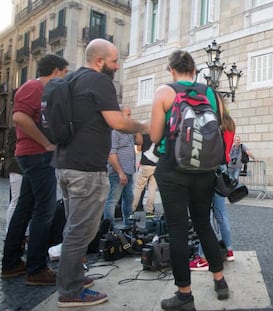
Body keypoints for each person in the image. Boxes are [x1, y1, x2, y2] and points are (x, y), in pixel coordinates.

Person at [53, 39, 148, 308]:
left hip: (65, 164)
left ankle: (74, 277)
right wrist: (147, 126)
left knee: (74, 227)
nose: (117, 66)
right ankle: (70, 290)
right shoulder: (99, 81)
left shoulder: (72, 80)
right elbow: (118, 122)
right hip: (86, 169)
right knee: (80, 230)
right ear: (99, 61)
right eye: (115, 61)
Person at [150, 50, 229, 311]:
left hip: (173, 169)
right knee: (204, 225)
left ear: (171, 70)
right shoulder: (211, 93)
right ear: (194, 70)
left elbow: (154, 135)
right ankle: (220, 281)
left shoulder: (164, 92)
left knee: (178, 231)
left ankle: (185, 295)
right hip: (204, 170)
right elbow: (219, 126)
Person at [1, 54, 69, 285]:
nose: (65, 77)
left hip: (33, 156)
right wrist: (46, 143)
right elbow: (19, 117)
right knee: (44, 211)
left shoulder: (39, 90)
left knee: (24, 208)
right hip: (37, 156)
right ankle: (36, 269)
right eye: (65, 72)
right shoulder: (33, 87)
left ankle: (11, 264)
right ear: (57, 71)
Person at [190, 110, 237, 271]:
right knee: (221, 213)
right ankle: (229, 250)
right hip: (222, 168)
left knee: (204, 216)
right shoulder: (230, 123)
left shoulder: (212, 123)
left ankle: (203, 258)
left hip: (209, 168)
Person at [103, 105, 136, 227]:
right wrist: (120, 172)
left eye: (130, 114)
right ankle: (109, 227)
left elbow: (140, 142)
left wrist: (134, 128)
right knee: (112, 200)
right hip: (118, 172)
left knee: (129, 198)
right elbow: (111, 153)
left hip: (128, 171)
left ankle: (128, 223)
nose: (130, 117)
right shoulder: (114, 132)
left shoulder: (127, 131)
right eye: (127, 114)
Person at [132, 133, 158, 219]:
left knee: (138, 188)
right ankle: (149, 212)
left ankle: (131, 210)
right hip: (155, 164)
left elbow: (138, 149)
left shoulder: (144, 134)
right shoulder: (158, 134)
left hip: (145, 164)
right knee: (152, 189)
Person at [5, 126, 23, 234]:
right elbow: (12, 149)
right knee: (15, 200)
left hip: (26, 168)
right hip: (17, 168)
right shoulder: (14, 130)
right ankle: (9, 231)